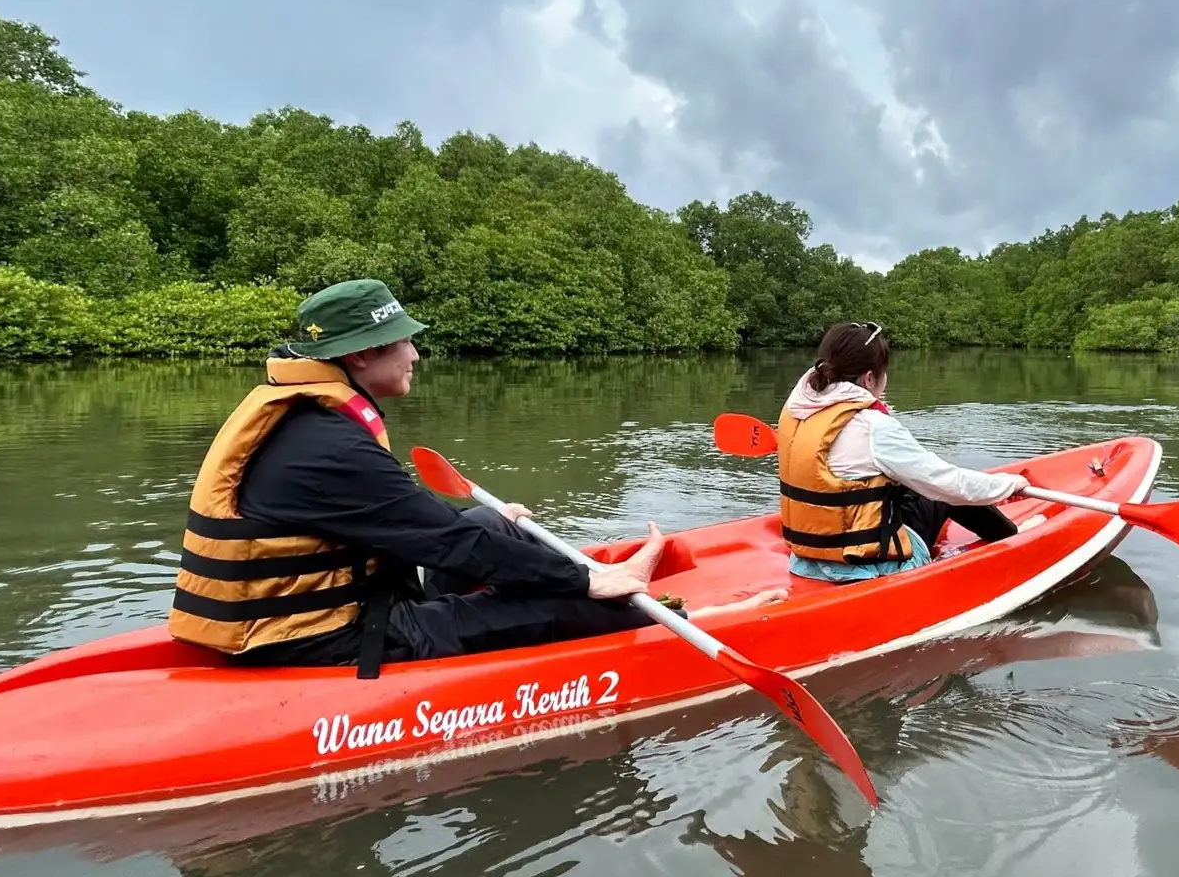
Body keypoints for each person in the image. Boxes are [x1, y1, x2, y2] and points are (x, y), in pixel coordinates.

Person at [166, 278, 782, 677]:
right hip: (322, 639)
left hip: (316, 611)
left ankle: (611, 591)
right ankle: (699, 626)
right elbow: (450, 544)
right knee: (558, 601)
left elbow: (424, 530)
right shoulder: (326, 447)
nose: (414, 355)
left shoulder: (305, 420)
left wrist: (497, 538)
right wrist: (586, 581)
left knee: (488, 519)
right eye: (401, 342)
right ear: (357, 357)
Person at [775, 321, 1030, 583]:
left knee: (903, 486)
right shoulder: (873, 426)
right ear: (870, 378)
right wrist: (1007, 485)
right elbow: (947, 484)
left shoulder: (795, 413)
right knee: (940, 494)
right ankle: (1015, 539)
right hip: (872, 565)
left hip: (805, 560)